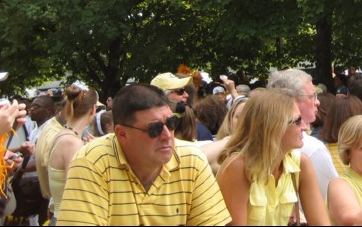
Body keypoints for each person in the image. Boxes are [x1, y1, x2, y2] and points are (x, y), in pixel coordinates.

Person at [57, 83, 231, 226]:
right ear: (122, 134)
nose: (167, 135)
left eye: (171, 123)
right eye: (154, 129)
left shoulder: (192, 160)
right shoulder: (91, 162)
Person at [216, 88, 330, 226]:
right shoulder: (237, 166)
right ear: (274, 126)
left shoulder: (301, 163)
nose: (305, 127)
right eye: (298, 121)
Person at [267, 68, 338, 201]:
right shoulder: (312, 148)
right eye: (312, 96)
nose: (317, 102)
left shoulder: (261, 142)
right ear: (291, 100)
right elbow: (334, 199)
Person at [47, 85, 97, 223]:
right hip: (69, 219)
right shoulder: (72, 143)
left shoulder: (63, 135)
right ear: (93, 109)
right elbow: (78, 191)